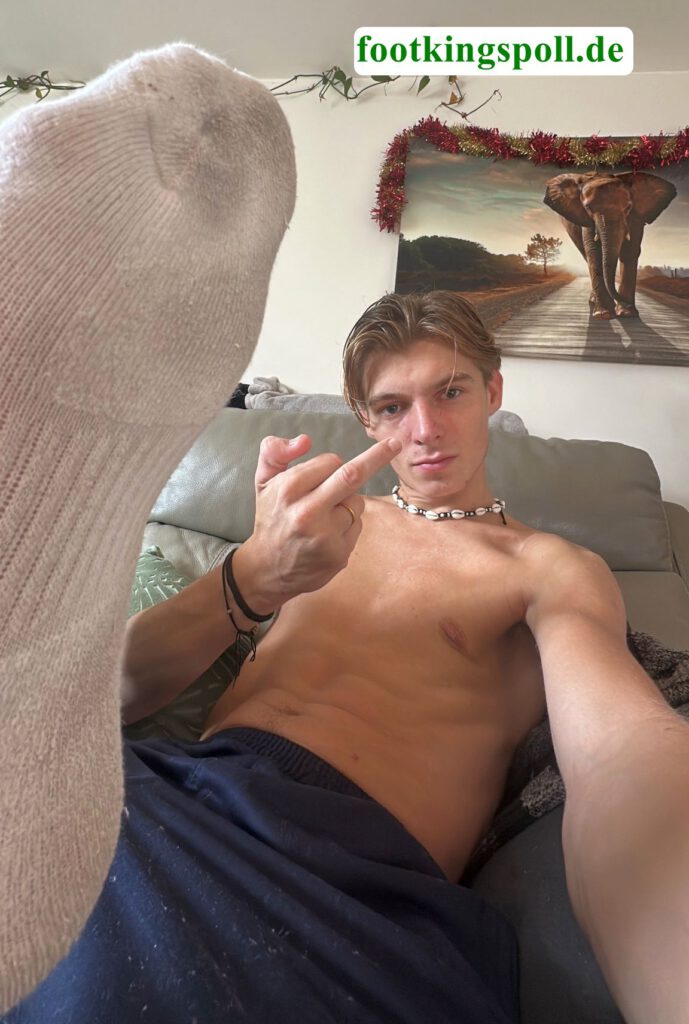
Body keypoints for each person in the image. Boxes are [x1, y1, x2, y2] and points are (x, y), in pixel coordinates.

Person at [1, 42, 688, 1024]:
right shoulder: (311, 525)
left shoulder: (546, 566)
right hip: (165, 802)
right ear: (363, 420)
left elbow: (620, 755)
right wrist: (251, 576)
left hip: (347, 887)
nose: (425, 429)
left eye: (450, 393)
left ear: (493, 393)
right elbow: (106, 697)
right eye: (392, 406)